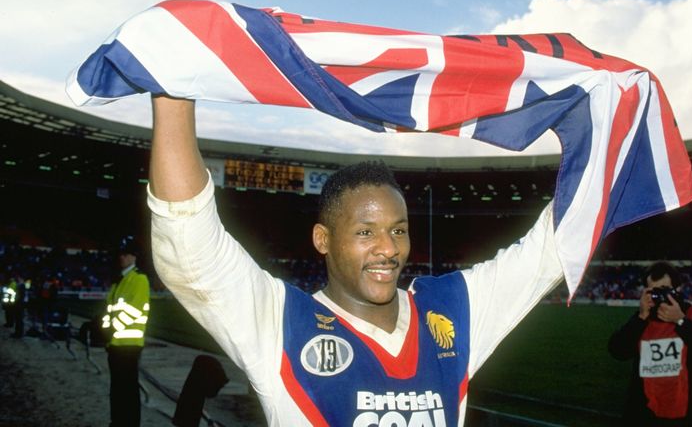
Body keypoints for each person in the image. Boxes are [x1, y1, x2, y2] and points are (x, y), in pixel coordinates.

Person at [147, 95, 564, 426]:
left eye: (398, 230)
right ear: (323, 239)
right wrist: (173, 98)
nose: (388, 248)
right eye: (365, 232)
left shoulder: (454, 310)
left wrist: (601, 127)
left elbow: (552, 246)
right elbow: (190, 244)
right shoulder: (281, 323)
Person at [608, 262, 692, 426]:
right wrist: (640, 318)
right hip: (646, 410)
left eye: (665, 290)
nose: (660, 297)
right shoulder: (643, 318)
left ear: (677, 289)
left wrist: (681, 321)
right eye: (654, 292)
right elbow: (617, 351)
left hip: (689, 409)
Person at [102, 235, 151, 427]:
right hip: (115, 345)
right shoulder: (119, 281)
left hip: (129, 346)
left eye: (125, 253)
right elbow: (109, 311)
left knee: (128, 391)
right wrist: (104, 329)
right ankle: (118, 422)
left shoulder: (139, 280)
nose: (121, 257)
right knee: (117, 390)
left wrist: (110, 330)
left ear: (134, 256)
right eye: (120, 253)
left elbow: (133, 310)